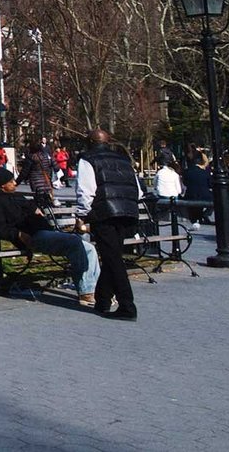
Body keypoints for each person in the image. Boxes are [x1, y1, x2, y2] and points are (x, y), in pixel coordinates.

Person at [0, 168, 100, 307]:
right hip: (33, 236)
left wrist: (34, 208)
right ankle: (86, 291)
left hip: (43, 231)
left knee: (90, 248)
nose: (15, 183)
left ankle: (94, 289)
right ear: (2, 185)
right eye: (11, 181)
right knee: (74, 242)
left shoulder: (14, 196)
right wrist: (18, 234)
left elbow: (28, 205)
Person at [75, 130, 142, 321]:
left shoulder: (87, 159)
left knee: (113, 259)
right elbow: (136, 188)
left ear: (89, 142)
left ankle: (127, 305)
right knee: (112, 255)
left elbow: (86, 189)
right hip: (126, 210)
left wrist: (82, 213)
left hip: (104, 212)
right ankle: (102, 299)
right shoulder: (122, 159)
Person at [182, 153, 215, 225]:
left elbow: (185, 183)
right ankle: (205, 214)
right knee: (216, 200)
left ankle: (196, 217)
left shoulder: (187, 172)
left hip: (190, 195)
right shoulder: (205, 172)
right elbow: (210, 184)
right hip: (205, 195)